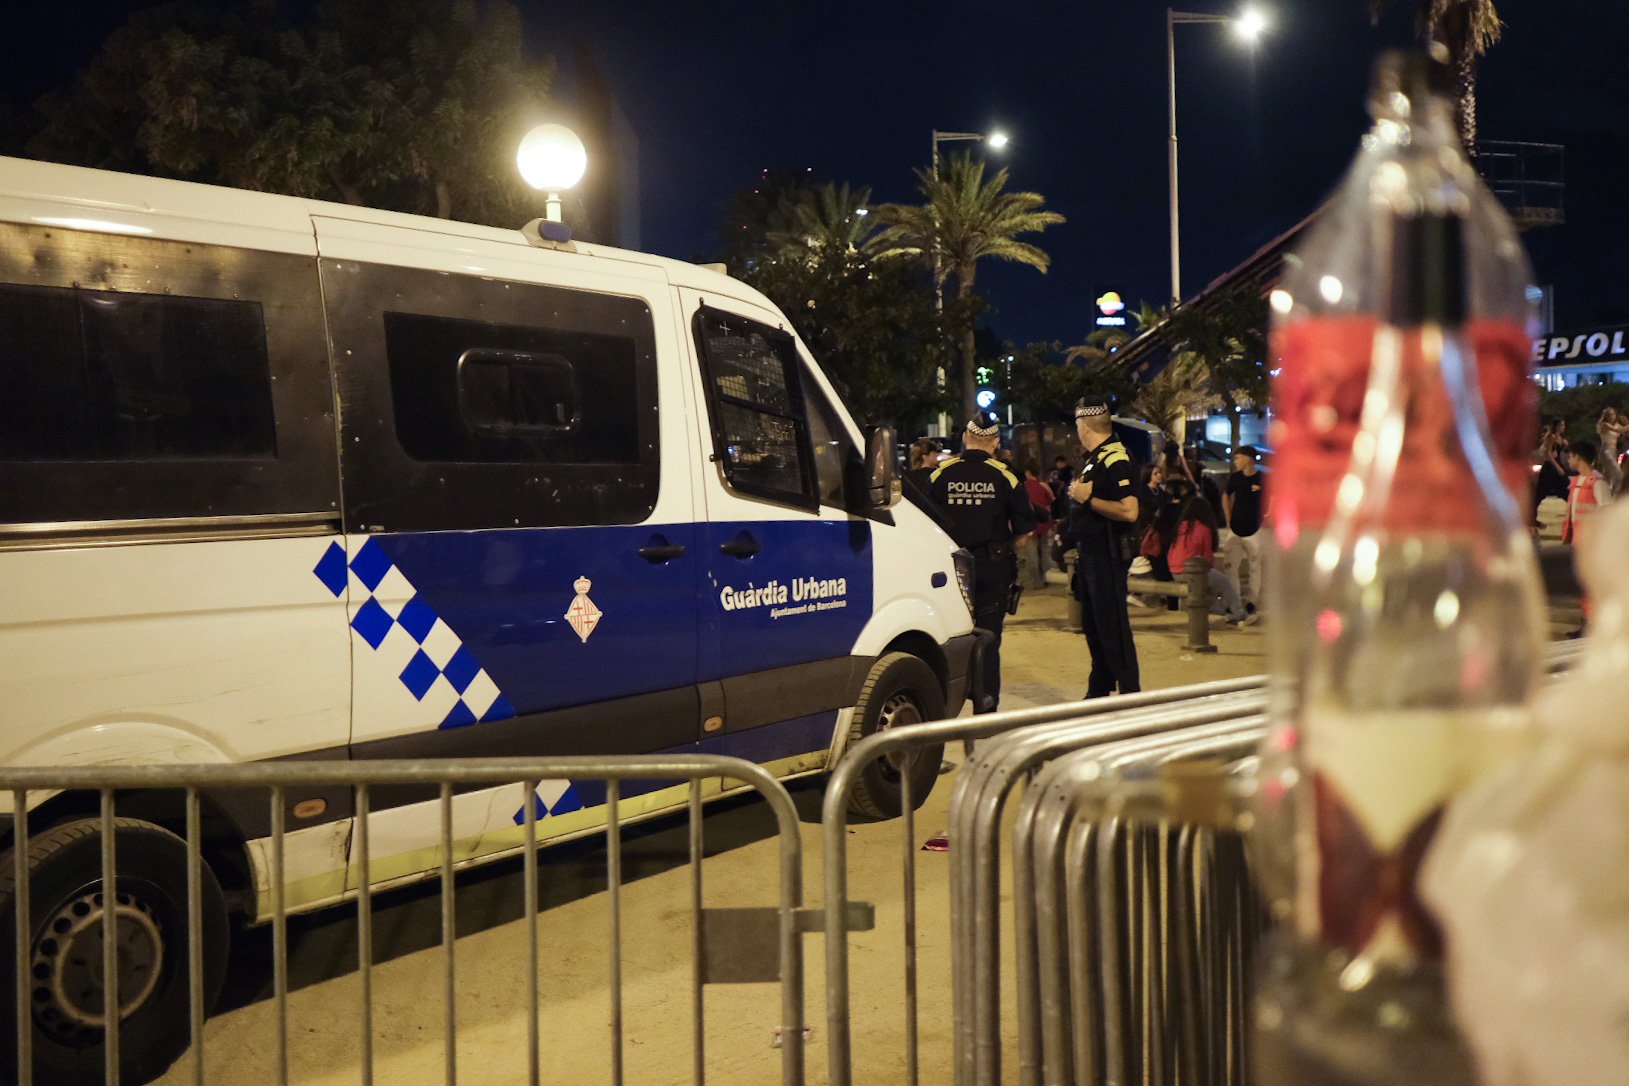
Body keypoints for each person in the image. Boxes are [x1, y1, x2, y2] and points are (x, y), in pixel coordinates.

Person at [929, 411, 1035, 712]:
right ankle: (985, 709)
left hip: (949, 573)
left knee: (946, 638)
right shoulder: (1005, 475)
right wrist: (1004, 548)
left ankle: (943, 707)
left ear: (965, 438)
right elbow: (1025, 531)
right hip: (992, 570)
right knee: (987, 641)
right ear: (996, 441)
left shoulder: (940, 474)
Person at [1060, 397, 1140, 698]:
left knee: (1113, 627)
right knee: (1095, 627)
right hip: (1091, 555)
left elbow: (1129, 511)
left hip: (1107, 555)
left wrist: (1087, 499)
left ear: (1084, 427)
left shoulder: (1115, 458)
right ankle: (1100, 687)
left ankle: (1130, 694)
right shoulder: (1096, 457)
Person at [1169, 494, 1257, 626]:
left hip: (1175, 571)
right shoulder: (1202, 529)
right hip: (1192, 571)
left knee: (1210, 585)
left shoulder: (1181, 526)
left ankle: (1219, 613)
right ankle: (1240, 615)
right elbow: (1208, 558)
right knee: (1224, 584)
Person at [1221, 445, 1266, 614]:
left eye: (1238, 458)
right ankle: (1234, 600)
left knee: (1255, 566)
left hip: (1255, 528)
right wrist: (1228, 516)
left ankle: (1251, 602)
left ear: (1248, 458)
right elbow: (1226, 494)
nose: (1235, 462)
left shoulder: (1262, 478)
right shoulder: (1235, 478)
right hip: (1235, 527)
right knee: (1230, 565)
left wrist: (1268, 516)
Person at [1016, 462, 1055, 588]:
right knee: (1045, 552)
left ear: (1027, 472)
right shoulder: (1043, 485)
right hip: (1045, 524)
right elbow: (1052, 499)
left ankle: (1036, 582)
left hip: (1029, 525)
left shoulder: (1021, 487)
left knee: (1032, 554)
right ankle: (1048, 578)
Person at [1563, 440, 1609, 547]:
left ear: (1578, 457)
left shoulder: (1598, 482)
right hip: (1577, 541)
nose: (1568, 460)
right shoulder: (1577, 482)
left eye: (1570, 456)